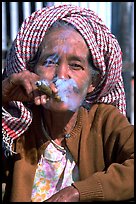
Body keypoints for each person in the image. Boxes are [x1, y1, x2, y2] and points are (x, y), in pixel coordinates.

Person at [2, 4, 134, 202]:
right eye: (50, 62)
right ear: (33, 71)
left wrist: (78, 192)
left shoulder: (104, 122)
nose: (61, 75)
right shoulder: (18, 127)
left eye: (75, 65)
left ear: (93, 83)